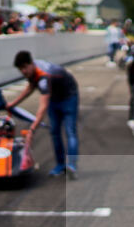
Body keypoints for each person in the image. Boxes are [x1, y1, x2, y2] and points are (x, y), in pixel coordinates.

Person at [8, 50, 80, 178]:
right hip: (55, 98)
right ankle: (60, 165)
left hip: (69, 97)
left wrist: (32, 129)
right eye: (20, 69)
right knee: (54, 132)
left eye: (24, 68)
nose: (23, 72)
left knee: (70, 131)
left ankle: (72, 166)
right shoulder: (34, 70)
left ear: (30, 64)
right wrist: (13, 103)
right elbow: (30, 86)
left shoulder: (44, 75)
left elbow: (43, 107)